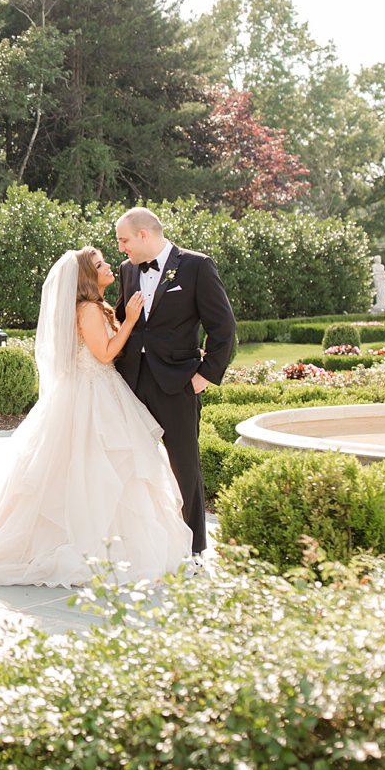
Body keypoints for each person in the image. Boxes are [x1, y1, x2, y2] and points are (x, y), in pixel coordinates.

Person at [0, 246, 192, 587]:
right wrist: (130, 321)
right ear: (88, 277)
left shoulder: (93, 306)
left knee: (98, 470)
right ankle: (90, 544)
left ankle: (110, 542)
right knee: (94, 469)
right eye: (101, 265)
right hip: (92, 395)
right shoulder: (86, 309)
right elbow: (103, 355)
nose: (108, 268)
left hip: (97, 393)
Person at [113, 207, 236, 558]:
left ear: (143, 235)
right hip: (133, 383)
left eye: (124, 240)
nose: (121, 248)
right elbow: (125, 319)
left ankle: (194, 547)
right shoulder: (126, 270)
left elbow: (223, 328)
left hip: (179, 384)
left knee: (184, 466)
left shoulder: (197, 266)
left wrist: (204, 377)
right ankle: (142, 544)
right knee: (132, 466)